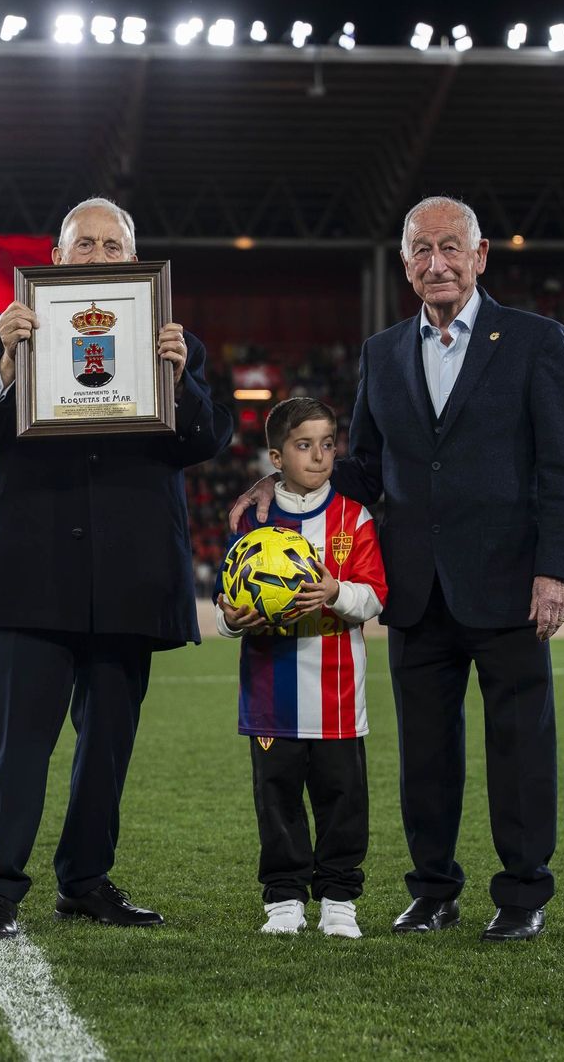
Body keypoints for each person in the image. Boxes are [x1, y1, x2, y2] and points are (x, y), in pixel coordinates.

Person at [232, 196, 564, 942]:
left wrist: (556, 572)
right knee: (425, 756)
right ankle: (433, 889)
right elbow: (362, 466)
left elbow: (562, 468)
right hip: (415, 589)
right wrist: (292, 487)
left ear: (481, 255)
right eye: (422, 251)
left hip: (508, 586)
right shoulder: (383, 352)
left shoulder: (535, 341)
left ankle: (523, 894)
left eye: (452, 248)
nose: (438, 264)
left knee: (520, 749)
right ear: (404, 265)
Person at [0, 197, 234, 939]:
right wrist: (3, 367)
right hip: (28, 574)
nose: (100, 256)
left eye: (113, 245)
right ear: (57, 256)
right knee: (16, 747)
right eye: (86, 244)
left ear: (134, 261)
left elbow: (206, 439)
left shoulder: (174, 339)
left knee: (107, 748)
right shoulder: (5, 328)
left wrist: (181, 376)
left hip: (130, 578)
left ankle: (85, 881)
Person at [217, 398, 386, 937]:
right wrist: (231, 621)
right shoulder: (255, 519)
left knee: (343, 798)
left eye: (328, 444)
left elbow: (376, 595)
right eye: (303, 445)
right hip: (271, 695)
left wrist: (338, 592)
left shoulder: (353, 517)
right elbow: (227, 602)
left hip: (337, 694)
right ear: (276, 455)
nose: (318, 457)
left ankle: (340, 898)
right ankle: (284, 897)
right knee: (277, 797)